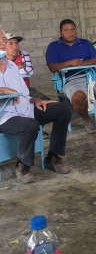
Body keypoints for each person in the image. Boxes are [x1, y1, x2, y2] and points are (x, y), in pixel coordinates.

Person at [0, 28, 72, 184]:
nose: (2, 43)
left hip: (25, 108)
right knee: (30, 125)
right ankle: (22, 165)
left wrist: (35, 100)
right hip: (5, 116)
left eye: (3, 39)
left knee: (63, 109)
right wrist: (2, 90)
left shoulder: (11, 66)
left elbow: (24, 92)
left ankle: (53, 156)